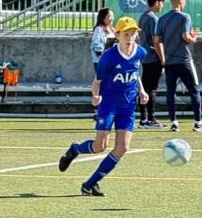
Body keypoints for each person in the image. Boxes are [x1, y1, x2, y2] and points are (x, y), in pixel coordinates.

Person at [58, 16, 148, 196]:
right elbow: (96, 82)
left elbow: (135, 72)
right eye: (126, 34)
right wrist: (95, 96)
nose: (130, 38)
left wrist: (142, 90)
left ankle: (90, 184)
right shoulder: (108, 57)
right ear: (117, 35)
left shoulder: (141, 52)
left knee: (122, 148)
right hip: (109, 105)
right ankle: (75, 149)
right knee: (100, 146)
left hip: (128, 106)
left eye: (133, 34)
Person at [153, 0, 202, 132]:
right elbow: (186, 36)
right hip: (184, 59)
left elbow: (157, 40)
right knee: (194, 89)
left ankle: (174, 123)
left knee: (170, 92)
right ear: (181, 1)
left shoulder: (162, 19)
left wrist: (163, 57)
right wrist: (194, 38)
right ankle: (198, 123)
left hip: (169, 61)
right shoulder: (185, 17)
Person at [137, 0, 165, 128]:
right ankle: (150, 119)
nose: (162, 6)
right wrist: (162, 58)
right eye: (161, 3)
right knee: (152, 89)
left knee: (145, 87)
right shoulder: (153, 19)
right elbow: (156, 41)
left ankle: (143, 118)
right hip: (153, 57)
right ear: (157, 3)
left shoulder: (143, 16)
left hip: (145, 57)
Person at [90, 7, 115, 74]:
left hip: (111, 60)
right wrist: (103, 52)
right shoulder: (99, 29)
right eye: (109, 16)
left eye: (112, 16)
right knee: (102, 79)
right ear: (103, 18)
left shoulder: (112, 29)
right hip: (101, 61)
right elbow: (96, 44)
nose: (112, 18)